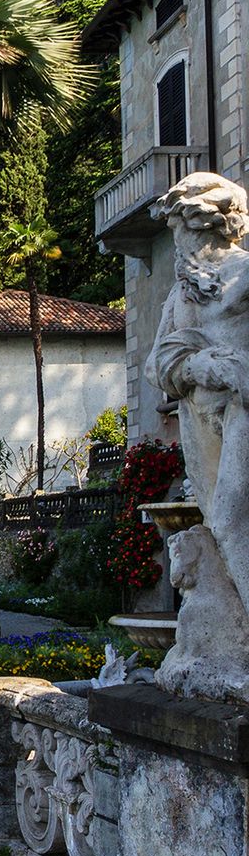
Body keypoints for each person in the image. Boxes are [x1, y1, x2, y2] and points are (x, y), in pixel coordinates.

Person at [146, 172, 249, 612]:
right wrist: (196, 364)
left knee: (229, 518)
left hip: (241, 408)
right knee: (219, 521)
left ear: (204, 226)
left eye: (177, 230)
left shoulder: (245, 275)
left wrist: (230, 368)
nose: (175, 243)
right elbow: (154, 364)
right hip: (199, 419)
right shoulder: (181, 293)